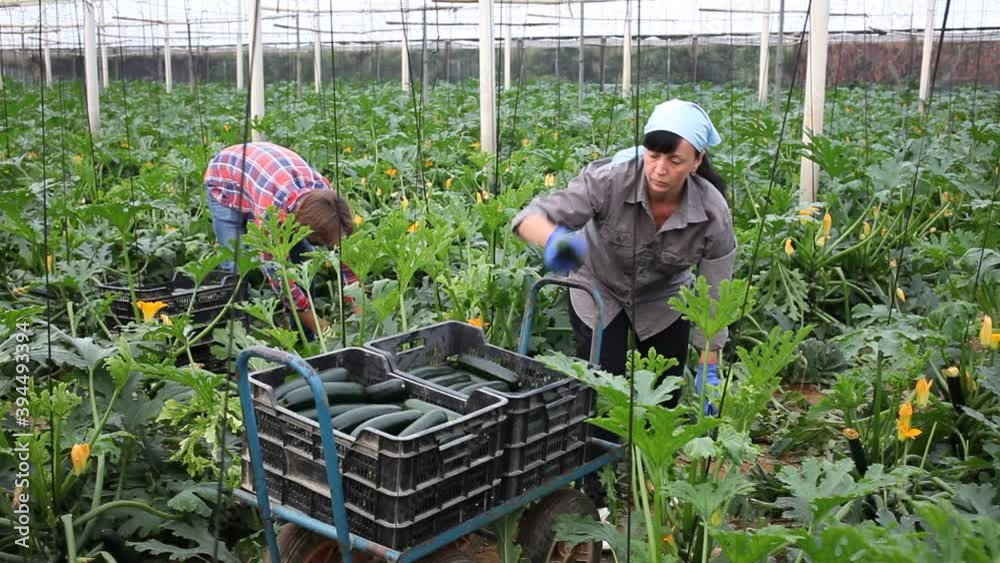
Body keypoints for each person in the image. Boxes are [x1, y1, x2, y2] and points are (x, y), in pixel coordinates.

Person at [512, 99, 736, 412]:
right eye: (653, 156)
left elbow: (715, 293)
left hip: (664, 299)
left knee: (664, 395)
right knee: (601, 389)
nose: (660, 169)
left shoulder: (712, 211)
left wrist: (708, 366)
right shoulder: (610, 180)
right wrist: (554, 240)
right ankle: (600, 442)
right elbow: (530, 218)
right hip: (599, 288)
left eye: (675, 161)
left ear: (697, 161)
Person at [204, 142, 357, 337]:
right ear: (301, 228)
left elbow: (348, 266)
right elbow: (279, 279)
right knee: (235, 267)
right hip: (226, 180)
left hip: (265, 174)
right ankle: (237, 335)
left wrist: (361, 317)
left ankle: (304, 337)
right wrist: (324, 330)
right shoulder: (271, 214)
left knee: (304, 266)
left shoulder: (327, 199)